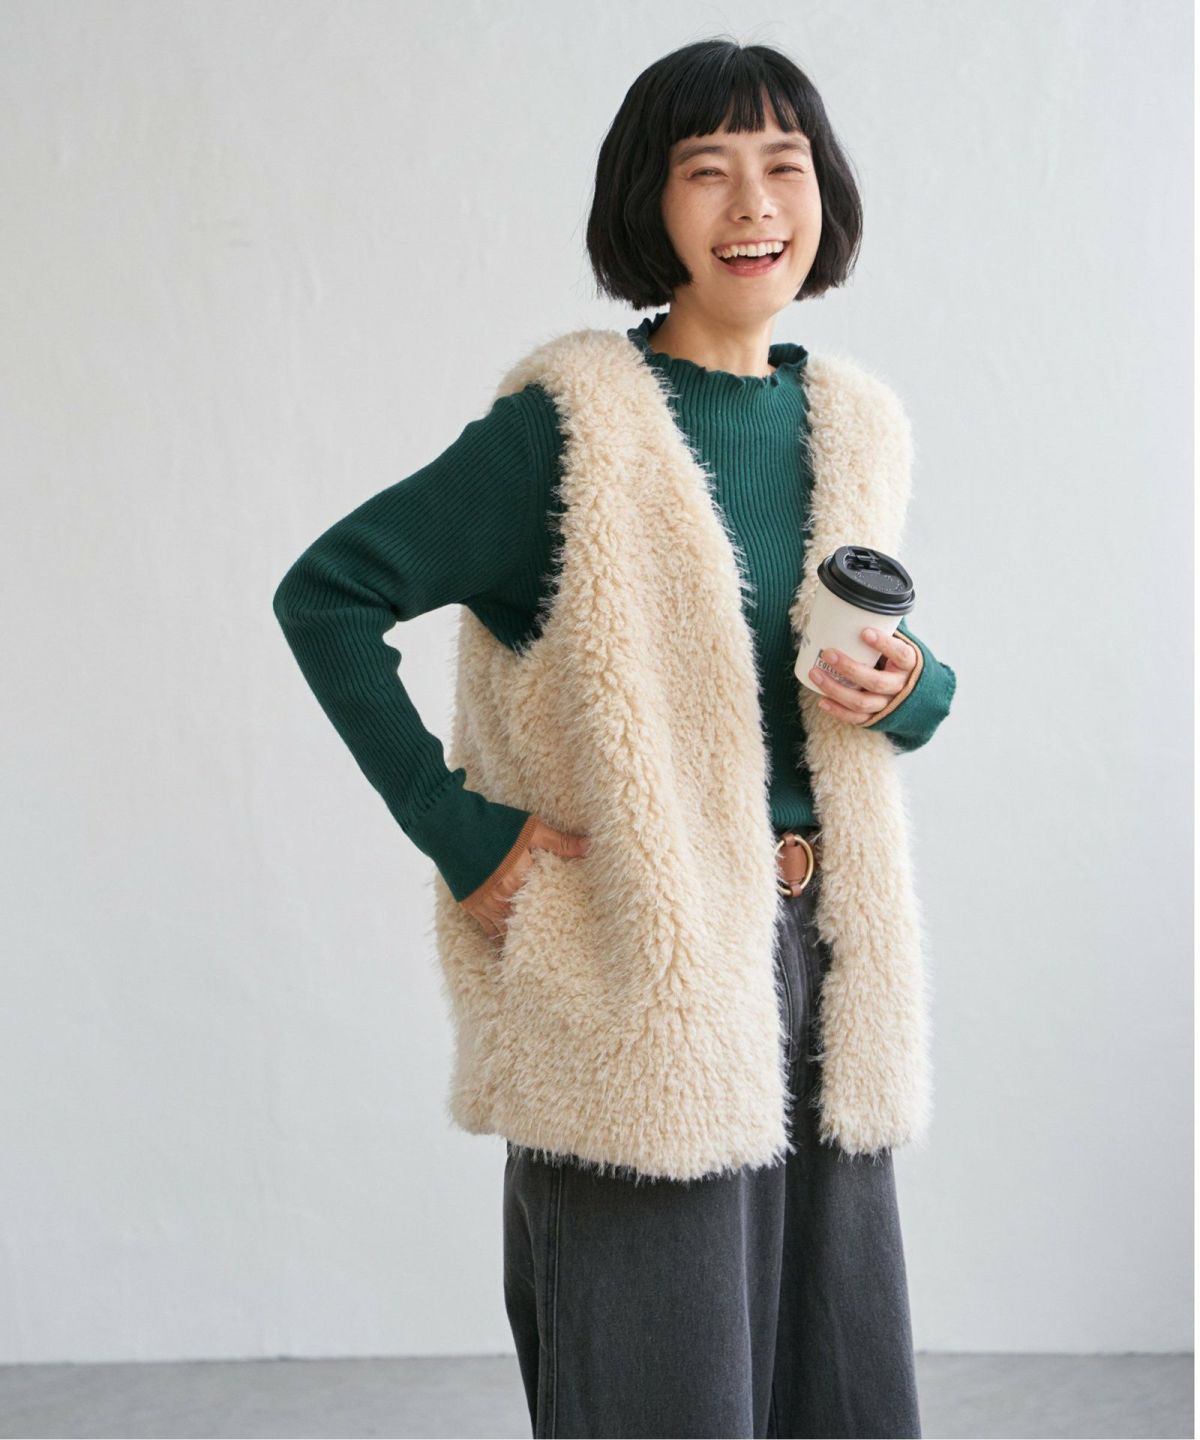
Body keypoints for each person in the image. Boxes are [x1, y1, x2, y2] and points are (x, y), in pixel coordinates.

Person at [274, 36, 956, 1440]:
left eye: (783, 165)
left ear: (824, 191)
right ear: (649, 203)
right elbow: (328, 595)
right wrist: (463, 834)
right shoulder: (568, 429)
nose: (753, 203)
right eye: (707, 169)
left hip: (829, 964)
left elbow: (821, 679)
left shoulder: (853, 424)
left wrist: (916, 689)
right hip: (644, 961)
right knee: (660, 1395)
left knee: (840, 1395)